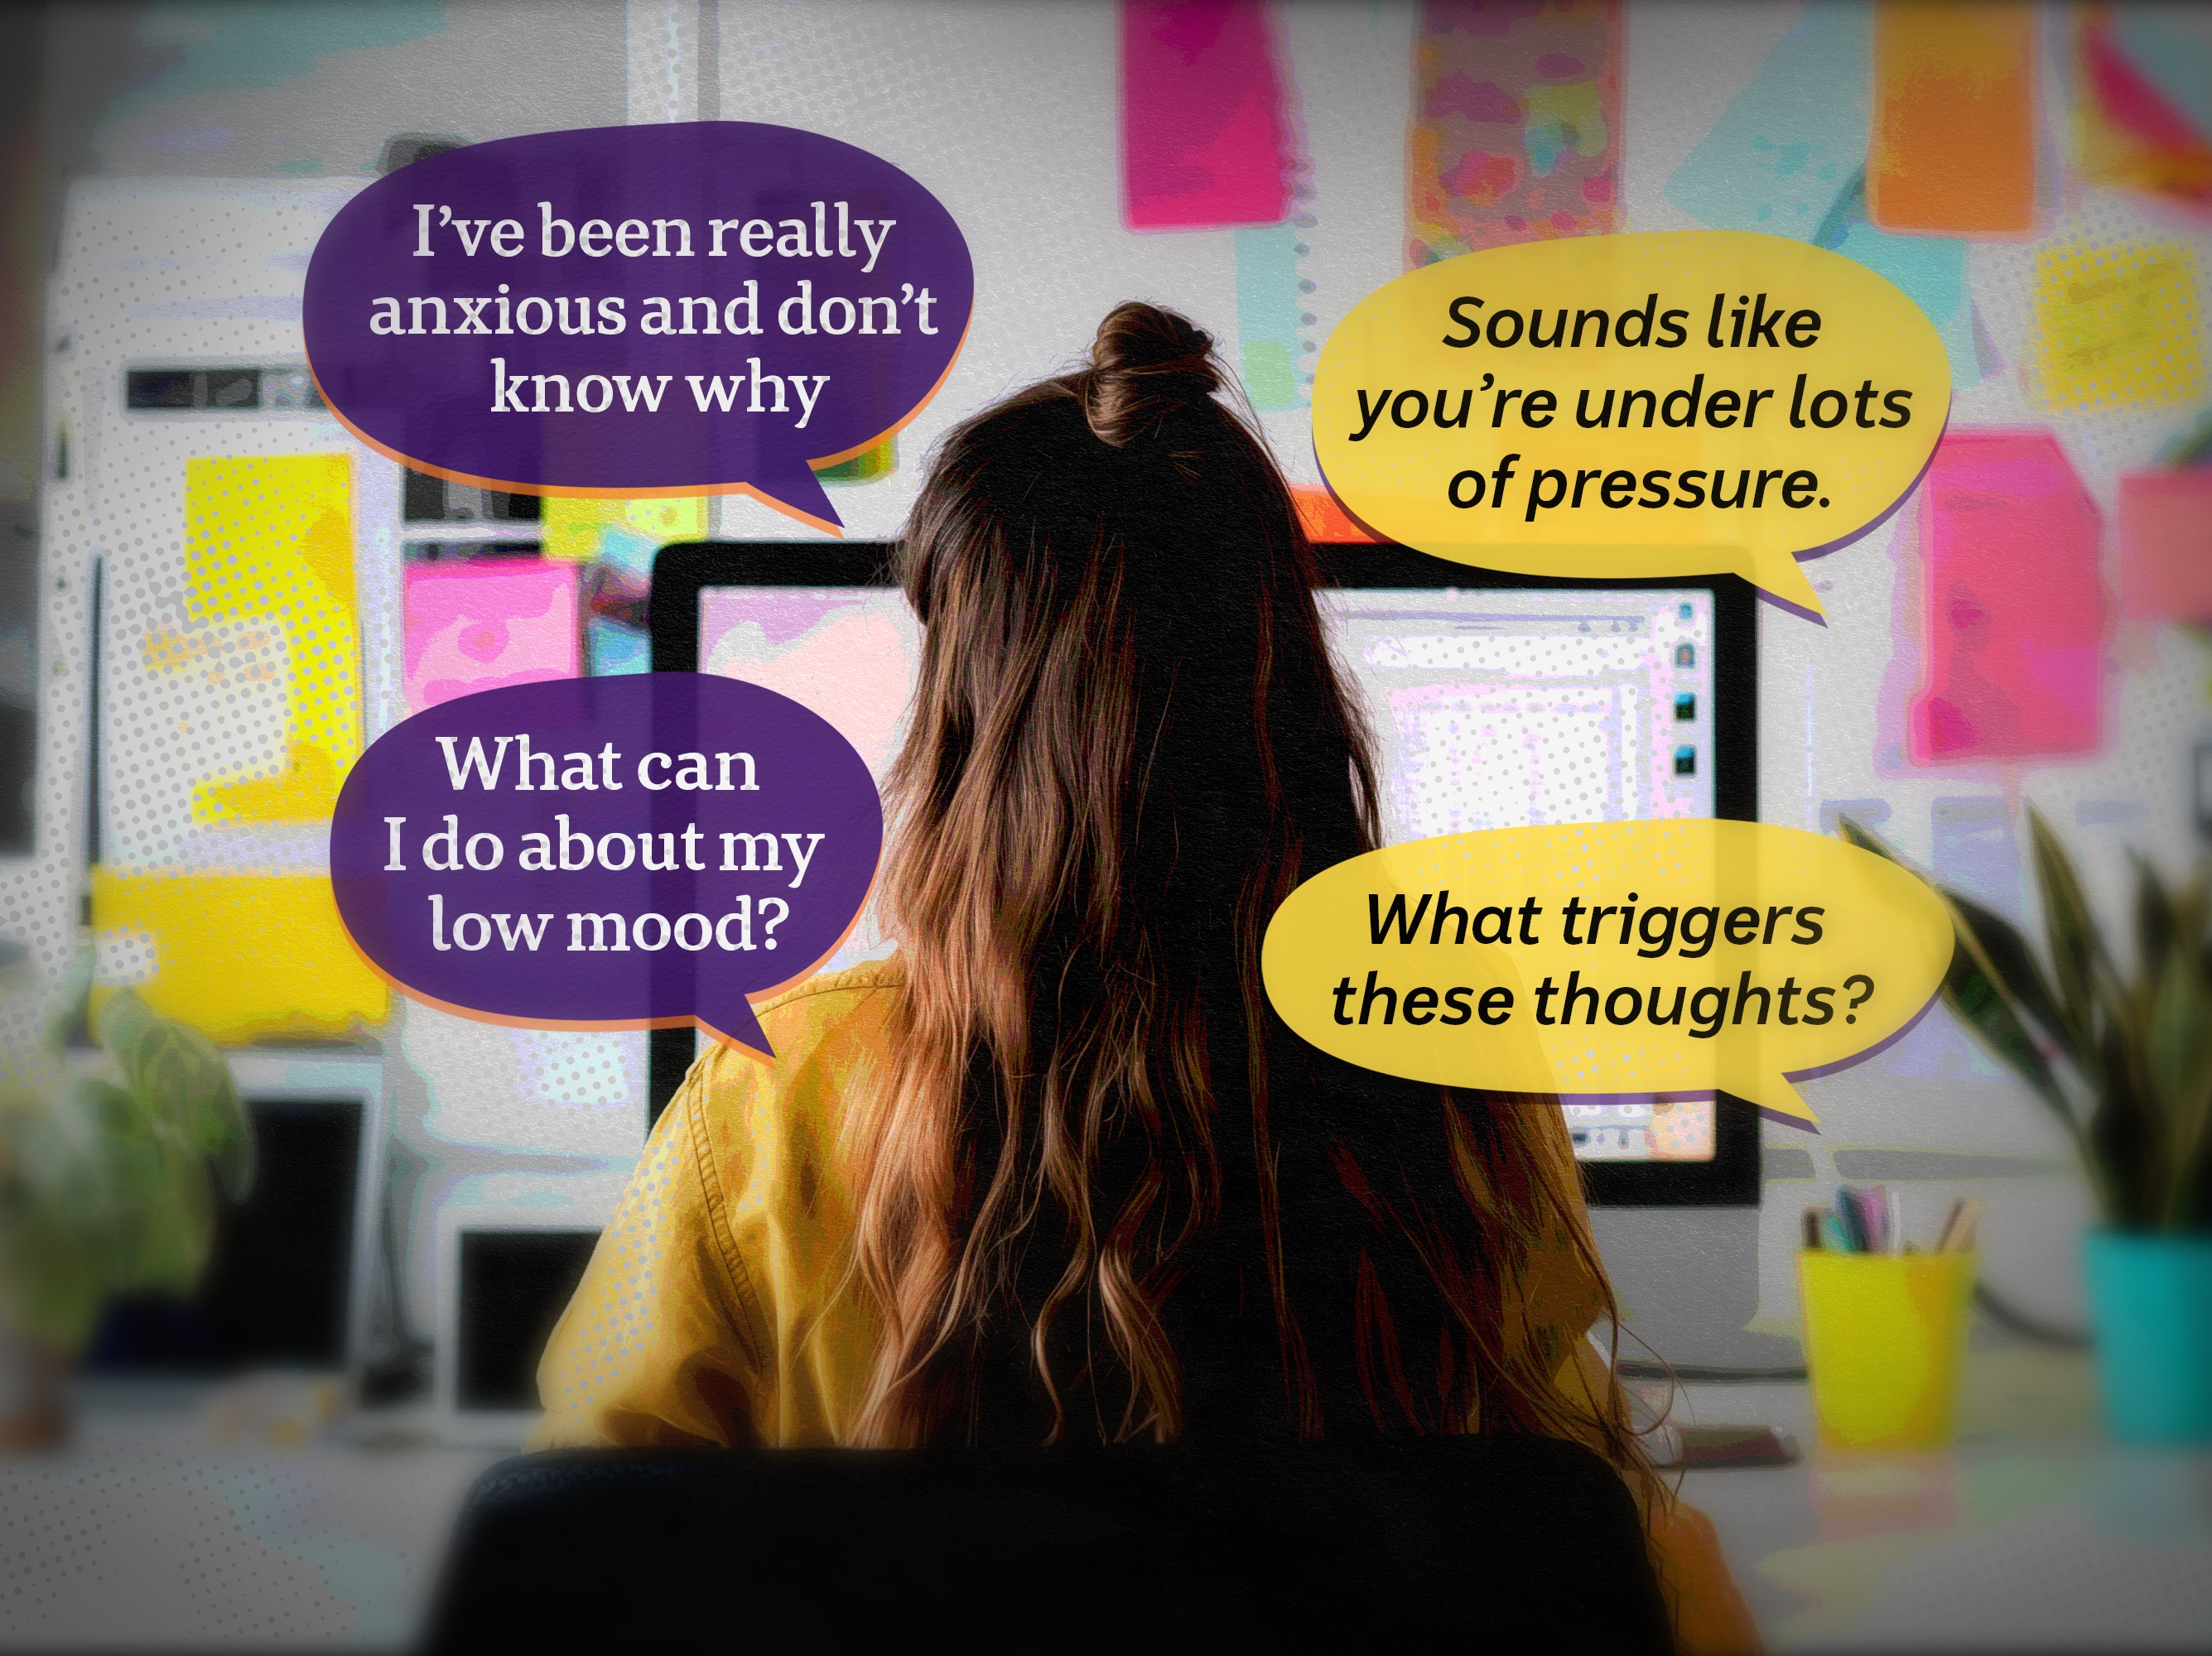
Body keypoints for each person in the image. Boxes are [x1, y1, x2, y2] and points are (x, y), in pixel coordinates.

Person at [532, 302, 1761, 1653]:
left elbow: (586, 1551)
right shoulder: (1456, 1081)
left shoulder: (772, 1097)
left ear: (962, 711)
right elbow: (1554, 1534)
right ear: (1291, 692)